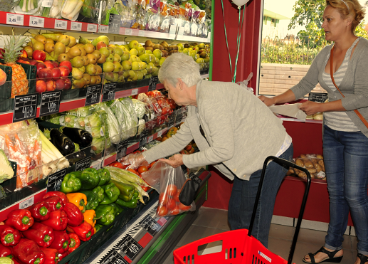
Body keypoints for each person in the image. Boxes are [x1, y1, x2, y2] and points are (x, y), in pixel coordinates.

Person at [124, 52, 293, 248]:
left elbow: (223, 151)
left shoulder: (212, 100)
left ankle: (254, 256)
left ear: (180, 83)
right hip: (251, 158)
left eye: (168, 89)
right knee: (237, 215)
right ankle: (242, 255)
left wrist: (184, 161)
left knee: (252, 225)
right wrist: (143, 157)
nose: (168, 96)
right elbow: (180, 138)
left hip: (269, 158)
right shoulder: (197, 102)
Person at [259, 0, 368, 263]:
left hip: (357, 135)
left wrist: (322, 106)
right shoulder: (325, 53)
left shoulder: (363, 50)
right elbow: (304, 85)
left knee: (354, 194)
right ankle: (333, 247)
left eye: (329, 19)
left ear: (348, 20)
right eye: (324, 19)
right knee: (336, 192)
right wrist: (272, 100)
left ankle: (365, 250)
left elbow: (363, 96)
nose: (323, 25)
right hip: (331, 132)